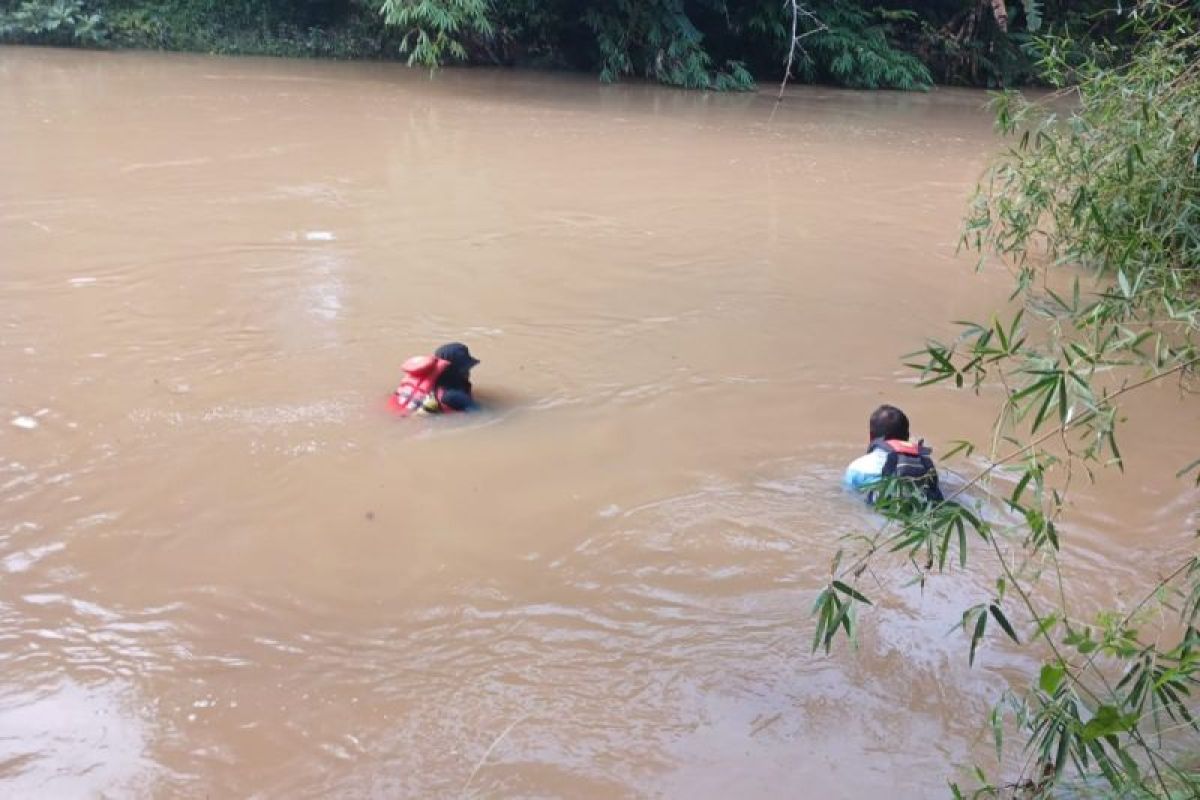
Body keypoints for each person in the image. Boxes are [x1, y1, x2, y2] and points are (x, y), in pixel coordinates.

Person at [843, 404, 944, 504]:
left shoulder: (858, 468)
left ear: (871, 436)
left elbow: (851, 501)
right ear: (907, 437)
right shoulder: (924, 466)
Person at [390, 342, 480, 416]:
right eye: (467, 368)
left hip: (397, 411)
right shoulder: (455, 395)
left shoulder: (417, 381)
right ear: (458, 371)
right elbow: (480, 415)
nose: (468, 372)